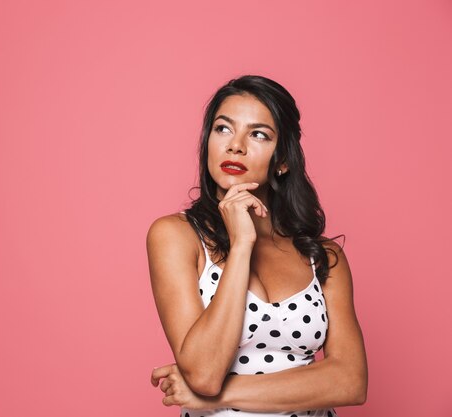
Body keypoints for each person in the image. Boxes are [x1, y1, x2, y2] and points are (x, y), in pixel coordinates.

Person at [146, 75, 367, 417]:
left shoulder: (321, 256)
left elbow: (350, 382)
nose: (235, 145)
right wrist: (242, 244)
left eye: (258, 134)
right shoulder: (175, 236)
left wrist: (217, 396)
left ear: (283, 161)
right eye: (223, 129)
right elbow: (203, 373)